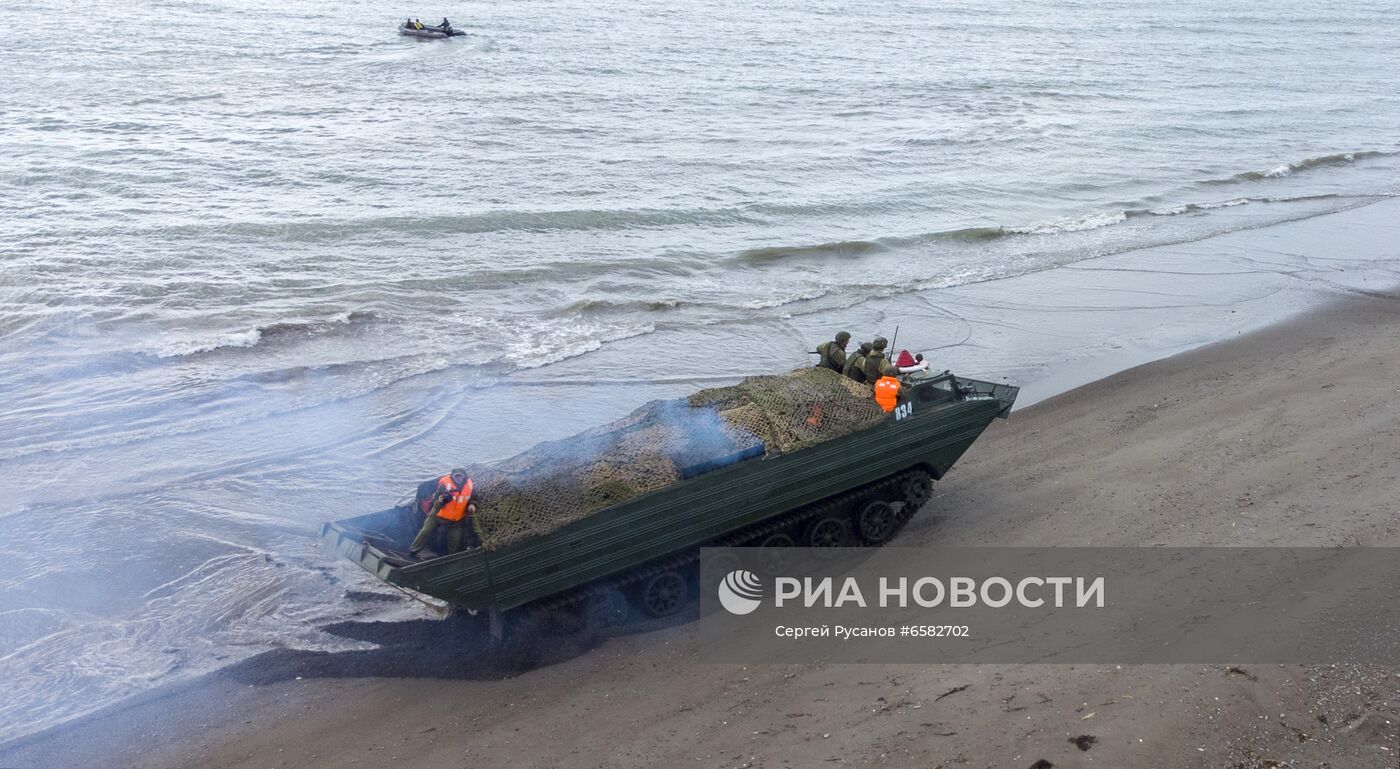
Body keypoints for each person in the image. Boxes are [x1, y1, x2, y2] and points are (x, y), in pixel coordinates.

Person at [409, 467, 477, 558]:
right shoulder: (444, 485)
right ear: (452, 477)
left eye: (460, 476)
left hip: (456, 520)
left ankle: (451, 560)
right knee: (425, 531)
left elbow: (474, 499)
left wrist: (472, 505)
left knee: (456, 542)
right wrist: (441, 501)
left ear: (464, 477)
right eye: (456, 476)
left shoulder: (470, 486)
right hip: (437, 516)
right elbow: (434, 501)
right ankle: (413, 551)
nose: (458, 478)